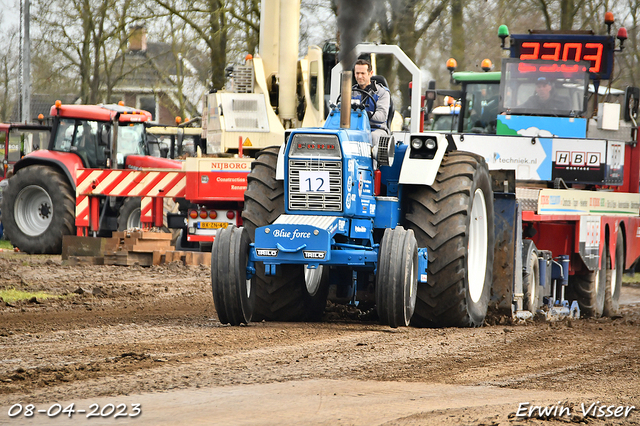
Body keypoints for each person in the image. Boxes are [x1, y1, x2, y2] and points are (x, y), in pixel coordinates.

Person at [352, 59, 391, 160]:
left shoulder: (382, 93)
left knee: (371, 137)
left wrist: (366, 113)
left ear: (371, 73)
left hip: (376, 128)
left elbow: (382, 116)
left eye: (363, 73)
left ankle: (372, 169)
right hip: (354, 128)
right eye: (357, 73)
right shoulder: (350, 93)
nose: (359, 76)